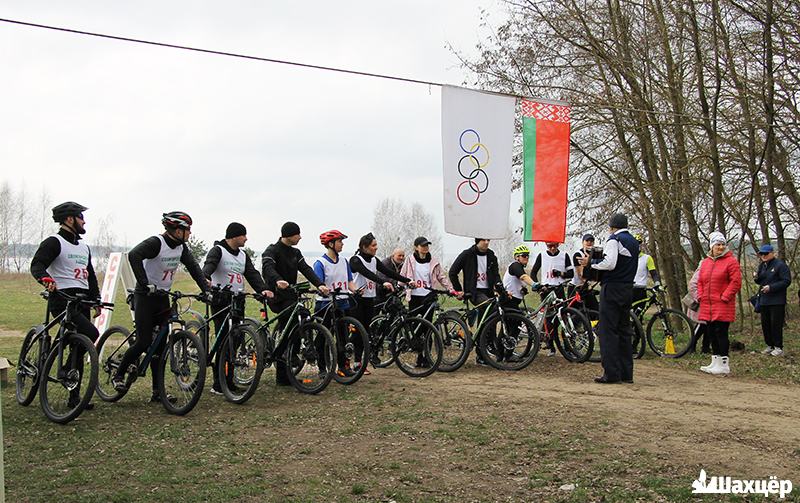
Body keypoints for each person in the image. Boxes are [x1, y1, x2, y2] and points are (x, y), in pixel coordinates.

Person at [112, 211, 211, 402]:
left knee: (159, 348)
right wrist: (144, 283)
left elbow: (194, 268)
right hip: (145, 297)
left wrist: (205, 289)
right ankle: (118, 375)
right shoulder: (156, 243)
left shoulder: (181, 248)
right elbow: (134, 255)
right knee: (143, 341)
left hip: (162, 297)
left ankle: (157, 392)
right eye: (187, 229)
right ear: (176, 229)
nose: (190, 233)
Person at [30, 201, 101, 409]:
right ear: (69, 219)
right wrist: (46, 279)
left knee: (80, 343)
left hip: (82, 299)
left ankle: (74, 397)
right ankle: (57, 364)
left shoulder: (84, 247)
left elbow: (91, 276)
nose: (84, 221)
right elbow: (37, 264)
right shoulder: (54, 242)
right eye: (81, 217)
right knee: (90, 334)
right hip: (62, 297)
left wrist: (96, 299)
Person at [202, 222, 273, 395]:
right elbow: (209, 266)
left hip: (238, 300)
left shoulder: (243, 255)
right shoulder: (218, 250)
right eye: (243, 235)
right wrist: (204, 278)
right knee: (224, 340)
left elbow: (252, 274)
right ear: (234, 236)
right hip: (221, 300)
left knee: (236, 339)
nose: (246, 238)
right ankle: (219, 383)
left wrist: (263, 288)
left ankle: (229, 380)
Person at [261, 221, 330, 385]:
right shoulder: (272, 250)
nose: (300, 237)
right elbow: (267, 268)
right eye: (298, 234)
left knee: (303, 316)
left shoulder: (296, 252)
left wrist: (319, 284)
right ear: (290, 235)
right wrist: (278, 280)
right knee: (291, 321)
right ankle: (288, 359)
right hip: (276, 295)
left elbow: (306, 269)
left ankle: (290, 357)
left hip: (291, 294)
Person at [580, 213, 639, 384]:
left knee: (608, 331)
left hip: (612, 287)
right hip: (628, 288)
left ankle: (611, 373)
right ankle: (626, 373)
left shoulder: (614, 239)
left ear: (612, 226)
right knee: (624, 331)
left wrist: (590, 264)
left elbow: (610, 263)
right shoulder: (634, 242)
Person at [349, 233, 411, 373]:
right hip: (356, 299)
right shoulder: (355, 260)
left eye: (376, 245)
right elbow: (367, 274)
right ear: (365, 247)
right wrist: (383, 282)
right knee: (359, 331)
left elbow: (389, 272)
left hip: (369, 298)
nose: (376, 248)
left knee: (365, 330)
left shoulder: (374, 260)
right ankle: (355, 361)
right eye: (373, 245)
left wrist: (407, 280)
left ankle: (359, 362)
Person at [400, 236, 454, 366]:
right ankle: (418, 354)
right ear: (416, 247)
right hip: (414, 297)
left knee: (428, 328)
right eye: (423, 246)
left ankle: (426, 357)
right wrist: (401, 286)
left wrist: (450, 289)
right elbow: (402, 276)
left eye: (427, 245)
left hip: (428, 296)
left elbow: (441, 277)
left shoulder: (433, 261)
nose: (425, 248)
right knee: (416, 327)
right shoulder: (410, 260)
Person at [313, 230, 357, 377]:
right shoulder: (320, 263)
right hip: (325, 304)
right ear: (331, 244)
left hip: (342, 302)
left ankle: (343, 366)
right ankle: (322, 368)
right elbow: (319, 284)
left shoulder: (344, 261)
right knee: (323, 336)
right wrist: (324, 289)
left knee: (343, 337)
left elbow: (349, 281)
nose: (342, 244)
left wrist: (355, 290)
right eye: (340, 241)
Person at [697, 232, 742, 375]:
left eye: (723, 244)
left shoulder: (731, 262)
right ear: (711, 246)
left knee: (721, 333)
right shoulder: (705, 262)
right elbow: (700, 281)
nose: (721, 247)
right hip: (707, 304)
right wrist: (700, 295)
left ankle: (724, 362)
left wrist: (725, 296)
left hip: (722, 304)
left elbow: (736, 282)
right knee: (711, 333)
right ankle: (714, 361)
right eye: (718, 244)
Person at [531, 241, 574, 356]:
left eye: (555, 245)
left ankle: (568, 346)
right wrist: (538, 286)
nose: (552, 248)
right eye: (549, 246)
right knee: (549, 320)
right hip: (546, 290)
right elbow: (533, 273)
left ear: (558, 245)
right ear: (546, 245)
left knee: (564, 316)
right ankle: (551, 346)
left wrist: (560, 273)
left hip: (558, 289)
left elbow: (571, 273)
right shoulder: (542, 255)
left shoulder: (564, 255)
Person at [449, 237, 501, 321]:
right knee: (490, 307)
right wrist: (458, 290)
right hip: (474, 292)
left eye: (488, 240)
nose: (486, 242)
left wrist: (500, 289)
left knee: (496, 312)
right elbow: (452, 273)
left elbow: (496, 275)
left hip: (489, 291)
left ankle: (486, 334)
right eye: (484, 240)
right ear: (477, 241)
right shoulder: (467, 254)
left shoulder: (491, 255)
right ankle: (483, 332)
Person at [754, 244, 791, 357]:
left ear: (772, 253)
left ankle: (778, 347)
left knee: (776, 324)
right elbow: (760, 280)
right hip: (764, 300)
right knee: (766, 324)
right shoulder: (762, 266)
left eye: (766, 253)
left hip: (777, 300)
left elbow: (786, 281)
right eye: (761, 254)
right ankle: (769, 345)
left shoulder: (780, 265)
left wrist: (771, 287)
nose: (763, 256)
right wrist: (756, 278)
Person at [570, 233, 599, 313]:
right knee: (575, 315)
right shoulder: (578, 254)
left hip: (588, 288)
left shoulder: (595, 256)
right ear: (583, 242)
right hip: (577, 287)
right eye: (587, 241)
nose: (589, 242)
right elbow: (581, 275)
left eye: (591, 241)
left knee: (595, 312)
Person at [685, 263, 710, 354]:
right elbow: (692, 285)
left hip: (709, 303)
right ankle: (691, 346)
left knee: (708, 326)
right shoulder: (701, 270)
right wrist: (699, 298)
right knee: (701, 325)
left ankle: (705, 348)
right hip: (700, 303)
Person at [633, 233, 662, 305]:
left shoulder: (647, 258)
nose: (637, 245)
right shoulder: (626, 258)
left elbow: (654, 273)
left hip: (641, 290)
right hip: (628, 289)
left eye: (639, 243)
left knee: (639, 315)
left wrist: (657, 283)